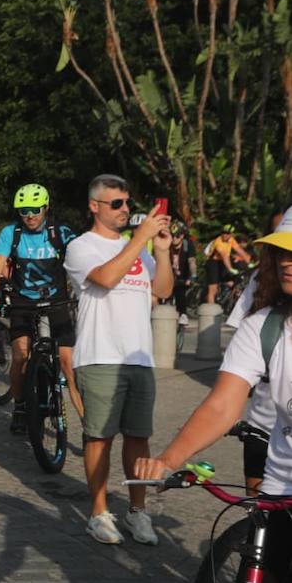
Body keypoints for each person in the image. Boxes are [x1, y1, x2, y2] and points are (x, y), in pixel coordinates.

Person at [135, 209, 292, 567]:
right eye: (282, 252)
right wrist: (166, 461)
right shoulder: (262, 328)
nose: (287, 262)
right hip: (282, 486)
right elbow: (222, 406)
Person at [65, 174, 172, 545]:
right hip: (100, 355)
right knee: (100, 437)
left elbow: (162, 290)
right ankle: (98, 512)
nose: (125, 210)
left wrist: (160, 249)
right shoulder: (82, 247)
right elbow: (107, 278)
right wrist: (140, 238)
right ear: (94, 206)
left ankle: (138, 511)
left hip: (139, 356)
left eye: (127, 203)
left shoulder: (139, 248)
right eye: (116, 204)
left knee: (139, 438)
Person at [0, 184, 81, 434]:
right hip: (23, 302)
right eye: (23, 211)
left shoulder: (61, 232)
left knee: (68, 364)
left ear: (46, 208)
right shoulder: (10, 233)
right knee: (20, 357)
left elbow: (83, 261)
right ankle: (21, 406)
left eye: (35, 210)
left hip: (57, 301)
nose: (29, 216)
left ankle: (89, 425)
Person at [205, 223, 252, 304]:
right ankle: (210, 310)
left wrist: (249, 263)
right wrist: (230, 269)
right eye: (223, 232)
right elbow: (224, 256)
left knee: (233, 281)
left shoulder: (231, 240)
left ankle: (225, 300)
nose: (225, 235)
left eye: (227, 233)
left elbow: (240, 251)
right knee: (213, 289)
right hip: (213, 262)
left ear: (231, 234)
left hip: (222, 262)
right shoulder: (218, 242)